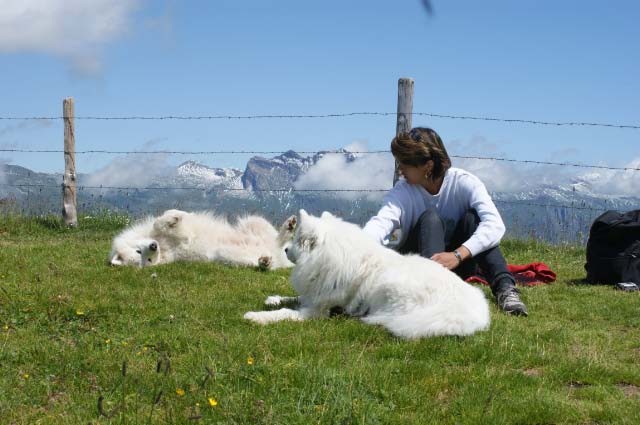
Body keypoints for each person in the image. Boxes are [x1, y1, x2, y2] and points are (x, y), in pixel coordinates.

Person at [363, 127, 528, 316]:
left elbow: (495, 224)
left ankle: (505, 290)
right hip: (419, 267)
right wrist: (358, 244)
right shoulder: (403, 191)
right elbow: (382, 222)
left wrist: (457, 255)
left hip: (457, 265)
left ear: (428, 166)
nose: (399, 170)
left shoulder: (464, 182)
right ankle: (431, 294)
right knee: (430, 218)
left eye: (404, 164)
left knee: (473, 219)